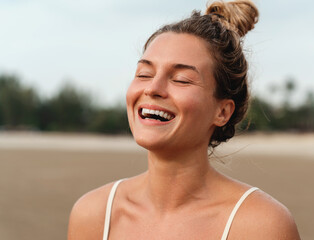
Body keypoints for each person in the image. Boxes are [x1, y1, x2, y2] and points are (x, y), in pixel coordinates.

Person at [68, 0, 301, 239]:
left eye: (181, 79)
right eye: (144, 74)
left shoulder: (261, 226)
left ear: (222, 112)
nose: (153, 88)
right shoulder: (93, 215)